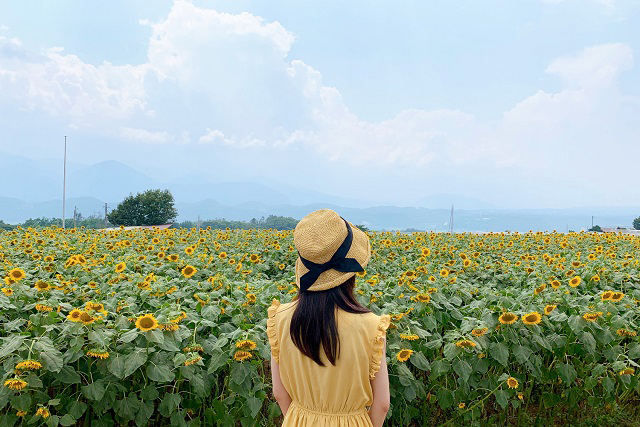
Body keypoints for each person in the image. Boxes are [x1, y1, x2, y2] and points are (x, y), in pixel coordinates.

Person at [266, 209, 391, 427]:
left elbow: (279, 393)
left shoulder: (280, 319)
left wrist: (299, 419)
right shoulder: (372, 326)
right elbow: (381, 404)